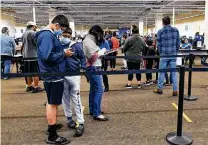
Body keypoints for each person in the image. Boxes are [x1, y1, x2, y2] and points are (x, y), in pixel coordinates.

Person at [36, 15, 73, 144]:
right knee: (53, 104)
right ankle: (52, 136)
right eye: (62, 29)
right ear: (56, 25)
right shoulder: (47, 36)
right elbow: (48, 56)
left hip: (51, 73)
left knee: (51, 102)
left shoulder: (48, 35)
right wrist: (64, 53)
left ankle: (51, 126)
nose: (62, 32)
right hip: (52, 74)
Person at [61, 28, 86, 137]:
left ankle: (80, 122)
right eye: (64, 35)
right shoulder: (58, 45)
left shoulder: (76, 46)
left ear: (71, 36)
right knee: (65, 98)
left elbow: (83, 57)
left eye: (67, 35)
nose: (65, 37)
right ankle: (69, 118)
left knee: (76, 98)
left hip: (74, 74)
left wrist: (84, 68)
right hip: (61, 75)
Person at [83, 25, 108, 121]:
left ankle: (93, 109)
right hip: (94, 67)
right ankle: (96, 113)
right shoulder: (89, 42)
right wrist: (102, 51)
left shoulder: (88, 40)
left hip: (91, 67)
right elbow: (93, 57)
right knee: (99, 89)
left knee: (93, 89)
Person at [153, 16, 180, 96]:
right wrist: (175, 51)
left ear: (163, 22)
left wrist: (161, 52)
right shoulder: (176, 30)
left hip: (164, 55)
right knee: (174, 73)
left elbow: (159, 45)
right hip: (173, 55)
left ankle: (159, 89)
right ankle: (175, 91)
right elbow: (178, 43)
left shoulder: (160, 31)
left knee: (161, 72)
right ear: (170, 21)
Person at [21, 21, 43, 93]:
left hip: (26, 56)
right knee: (35, 72)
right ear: (33, 27)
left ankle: (29, 86)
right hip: (33, 56)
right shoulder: (33, 33)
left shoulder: (24, 33)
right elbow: (37, 43)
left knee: (28, 72)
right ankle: (36, 87)